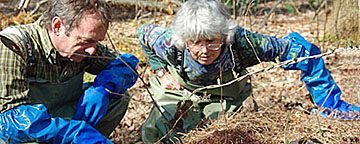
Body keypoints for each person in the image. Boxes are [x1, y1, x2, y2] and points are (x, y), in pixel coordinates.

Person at [138, 0, 360, 143]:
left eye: (212, 41)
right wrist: (160, 71)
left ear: (224, 35)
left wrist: (330, 103)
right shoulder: (170, 44)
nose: (204, 50)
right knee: (156, 132)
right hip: (180, 88)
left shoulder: (244, 43)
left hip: (225, 94)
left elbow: (301, 51)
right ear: (184, 39)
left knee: (219, 136)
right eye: (195, 42)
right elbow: (143, 33)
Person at [0, 0, 139, 143]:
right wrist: (73, 133)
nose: (92, 50)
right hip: (21, 130)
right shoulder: (15, 46)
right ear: (57, 26)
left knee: (116, 98)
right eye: (86, 41)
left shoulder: (84, 48)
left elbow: (126, 65)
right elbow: (11, 120)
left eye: (96, 42)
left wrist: (105, 86)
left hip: (57, 114)